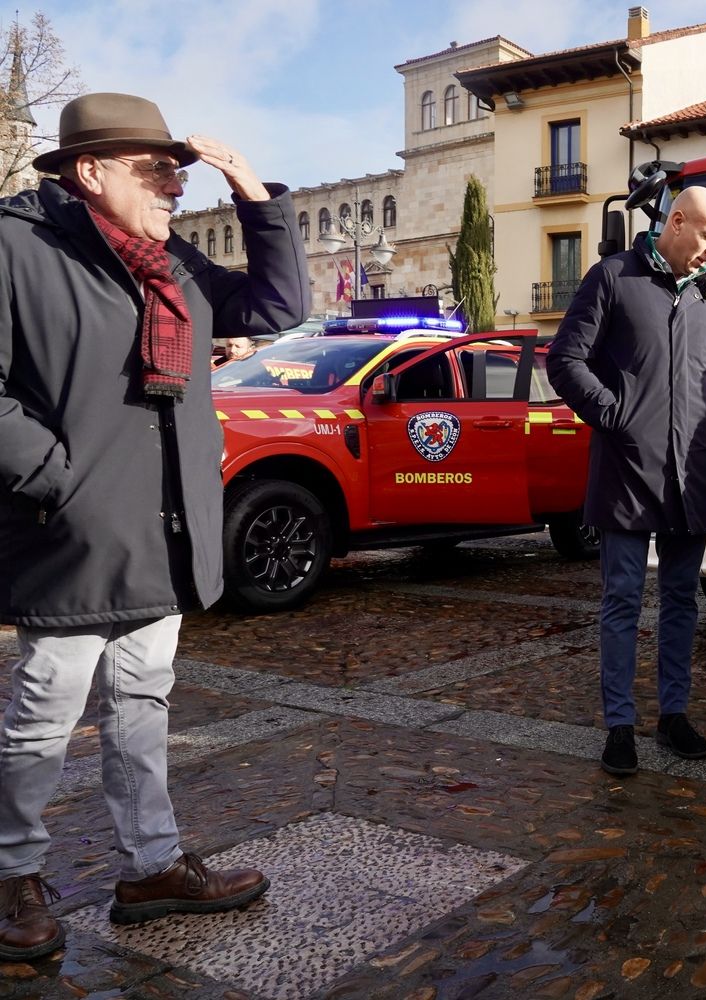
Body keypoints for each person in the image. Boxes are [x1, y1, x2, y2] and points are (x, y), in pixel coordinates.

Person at [0, 93, 309, 958]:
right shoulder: (15, 244)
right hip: (70, 528)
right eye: (156, 168)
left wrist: (253, 192)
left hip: (162, 521)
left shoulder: (169, 261)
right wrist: (59, 478)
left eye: (179, 168)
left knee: (142, 704)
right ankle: (12, 874)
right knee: (44, 714)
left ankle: (152, 866)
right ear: (89, 172)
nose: (176, 182)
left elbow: (279, 306)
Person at [546, 186, 706, 777]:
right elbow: (564, 361)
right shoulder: (612, 277)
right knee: (621, 600)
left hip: (692, 473)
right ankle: (619, 726)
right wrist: (614, 415)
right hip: (626, 470)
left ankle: (673, 715)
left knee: (681, 601)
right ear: (675, 223)